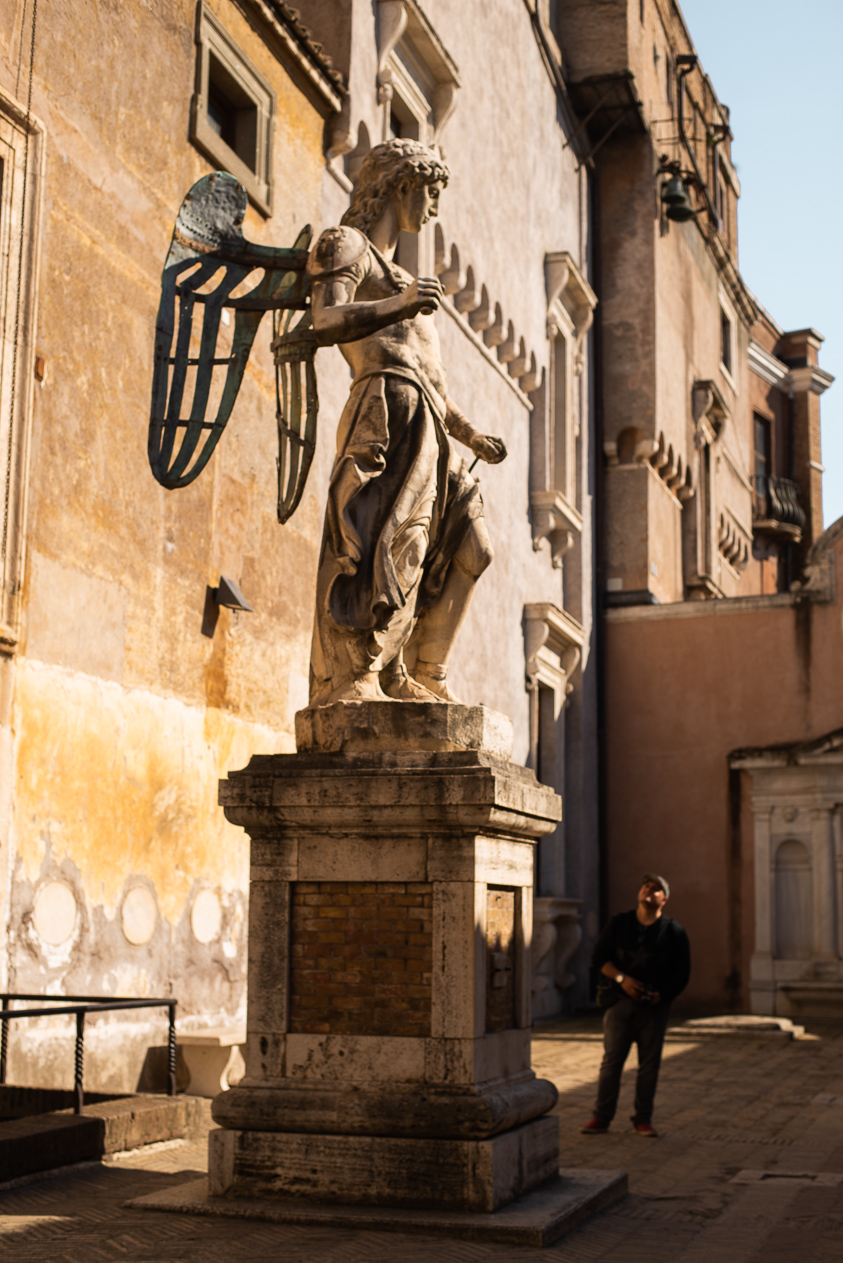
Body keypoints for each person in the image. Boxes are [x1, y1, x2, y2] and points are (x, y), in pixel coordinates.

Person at [307, 139, 507, 707]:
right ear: (401, 185)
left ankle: (423, 670)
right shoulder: (348, 247)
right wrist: (399, 305)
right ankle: (357, 678)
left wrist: (471, 436)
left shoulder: (404, 276)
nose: (434, 207)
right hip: (383, 416)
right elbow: (324, 319)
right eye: (431, 191)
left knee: (473, 546)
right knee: (386, 552)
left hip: (432, 430)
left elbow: (433, 381)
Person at [580, 874, 690, 1138]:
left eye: (656, 889)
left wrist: (661, 996)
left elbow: (682, 973)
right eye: (646, 887)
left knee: (649, 1065)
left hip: (654, 1008)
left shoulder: (674, 932)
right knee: (611, 1062)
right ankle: (601, 1117)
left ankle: (643, 1119)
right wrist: (622, 979)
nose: (649, 891)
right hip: (619, 1003)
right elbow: (599, 958)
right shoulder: (620, 924)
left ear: (664, 899)